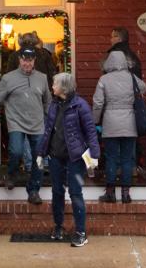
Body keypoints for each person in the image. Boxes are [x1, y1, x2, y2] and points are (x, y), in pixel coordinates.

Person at [35, 72, 100, 248]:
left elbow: (90, 131)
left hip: (75, 157)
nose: (52, 86)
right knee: (57, 192)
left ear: (63, 87)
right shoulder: (54, 105)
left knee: (75, 193)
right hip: (56, 156)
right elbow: (48, 131)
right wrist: (41, 153)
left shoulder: (81, 106)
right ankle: (58, 227)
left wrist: (94, 155)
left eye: (55, 84)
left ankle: (81, 232)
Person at [0, 47, 51, 203]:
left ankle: (34, 190)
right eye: (24, 60)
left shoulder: (42, 78)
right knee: (16, 151)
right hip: (16, 122)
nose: (27, 64)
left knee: (39, 158)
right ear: (19, 60)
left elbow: (47, 103)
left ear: (34, 60)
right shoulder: (8, 78)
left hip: (37, 124)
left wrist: (50, 122)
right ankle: (11, 174)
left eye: (30, 60)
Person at [92, 51, 146, 204]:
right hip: (130, 123)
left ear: (108, 63)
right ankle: (125, 194)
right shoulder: (131, 78)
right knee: (127, 159)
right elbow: (143, 87)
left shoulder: (104, 79)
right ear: (125, 62)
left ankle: (110, 193)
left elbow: (97, 103)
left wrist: (95, 121)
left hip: (110, 123)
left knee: (111, 158)